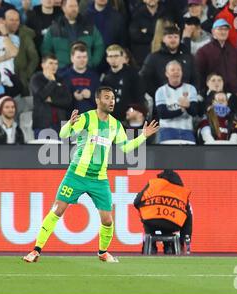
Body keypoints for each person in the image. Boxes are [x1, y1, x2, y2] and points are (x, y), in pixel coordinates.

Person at [23, 86, 159, 263]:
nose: (111, 101)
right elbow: (64, 134)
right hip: (76, 174)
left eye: (113, 98)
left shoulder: (115, 125)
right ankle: (35, 250)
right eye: (107, 98)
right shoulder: (86, 118)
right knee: (57, 209)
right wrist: (70, 125)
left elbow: (125, 147)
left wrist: (143, 136)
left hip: (99, 179)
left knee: (108, 220)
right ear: (97, 100)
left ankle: (103, 252)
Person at [133, 169, 193, 255]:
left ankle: (151, 246)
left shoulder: (153, 184)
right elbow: (188, 218)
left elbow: (136, 202)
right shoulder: (181, 191)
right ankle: (169, 246)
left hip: (151, 221)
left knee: (147, 216)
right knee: (181, 216)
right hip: (173, 224)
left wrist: (147, 208)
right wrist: (184, 240)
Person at [41, 0, 105, 69]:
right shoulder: (54, 29)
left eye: (76, 6)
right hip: (62, 72)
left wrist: (92, 63)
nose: (74, 9)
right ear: (63, 8)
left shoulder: (89, 26)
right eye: (71, 6)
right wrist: (54, 66)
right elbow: (45, 49)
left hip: (85, 71)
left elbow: (99, 45)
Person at [140, 26, 196, 100]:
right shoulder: (153, 57)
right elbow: (143, 78)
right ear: (163, 39)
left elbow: (195, 77)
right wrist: (157, 94)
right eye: (170, 37)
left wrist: (191, 94)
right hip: (162, 101)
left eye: (176, 37)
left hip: (186, 100)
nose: (173, 40)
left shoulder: (188, 57)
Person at [195, 18, 237, 96]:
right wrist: (204, 92)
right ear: (213, 31)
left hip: (234, 94)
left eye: (226, 29)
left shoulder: (233, 50)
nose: (223, 32)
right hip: (214, 95)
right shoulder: (203, 51)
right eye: (220, 29)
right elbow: (199, 75)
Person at [155, 60, 198, 143]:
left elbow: (194, 111)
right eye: (173, 70)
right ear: (167, 74)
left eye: (178, 70)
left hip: (187, 130)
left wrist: (188, 107)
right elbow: (162, 114)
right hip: (166, 130)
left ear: (182, 73)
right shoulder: (161, 91)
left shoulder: (191, 89)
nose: (176, 72)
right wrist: (181, 110)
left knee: (190, 154)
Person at [30, 54, 72, 138]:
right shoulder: (36, 79)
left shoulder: (61, 79)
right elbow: (42, 96)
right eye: (51, 63)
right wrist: (52, 82)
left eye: (56, 64)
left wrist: (52, 100)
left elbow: (68, 101)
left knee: (62, 151)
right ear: (43, 65)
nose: (54, 66)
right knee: (41, 150)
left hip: (61, 125)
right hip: (42, 124)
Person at [101, 44, 145, 122]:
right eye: (110, 56)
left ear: (122, 57)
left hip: (132, 120)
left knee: (135, 135)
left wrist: (137, 113)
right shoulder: (106, 79)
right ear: (107, 59)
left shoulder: (133, 74)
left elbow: (139, 97)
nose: (113, 59)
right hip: (112, 121)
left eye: (116, 56)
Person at [4, 8, 39, 96]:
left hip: (20, 78)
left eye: (17, 20)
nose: (15, 23)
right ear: (4, 21)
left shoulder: (25, 36)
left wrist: (26, 75)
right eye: (11, 20)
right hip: (1, 77)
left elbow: (34, 58)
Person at [61, 42, 100, 114]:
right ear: (72, 58)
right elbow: (60, 101)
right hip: (69, 120)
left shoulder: (94, 76)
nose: (82, 60)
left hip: (90, 120)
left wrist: (90, 95)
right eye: (79, 57)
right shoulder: (64, 76)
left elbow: (101, 101)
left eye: (84, 57)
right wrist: (73, 96)